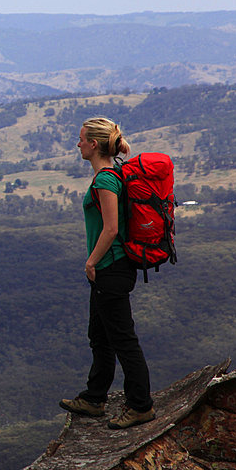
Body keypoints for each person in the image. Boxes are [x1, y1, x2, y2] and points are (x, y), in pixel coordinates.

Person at [59, 117, 155, 429]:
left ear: (95, 145)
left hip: (110, 267)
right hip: (110, 269)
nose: (78, 144)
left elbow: (111, 228)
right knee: (100, 336)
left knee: (123, 340)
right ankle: (94, 398)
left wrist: (91, 262)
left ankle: (141, 406)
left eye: (82, 139)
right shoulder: (113, 174)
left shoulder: (104, 180)